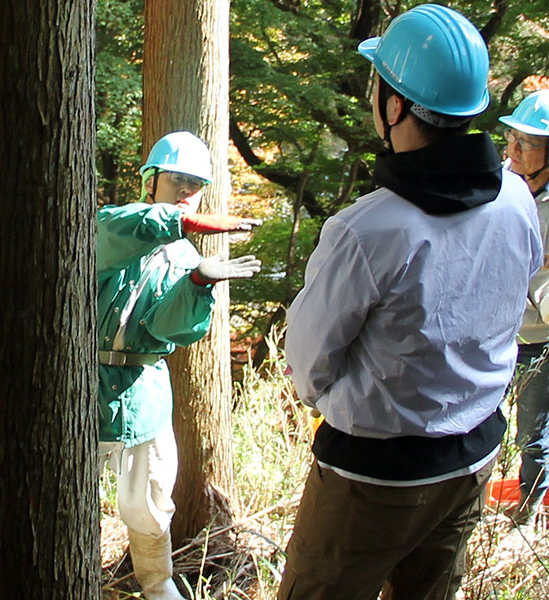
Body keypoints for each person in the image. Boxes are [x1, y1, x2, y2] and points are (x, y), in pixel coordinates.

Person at [280, 5, 542, 599]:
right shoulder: (515, 199)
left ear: (394, 106)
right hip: (471, 455)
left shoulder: (366, 229)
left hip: (370, 474)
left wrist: (343, 402)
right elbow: (516, 288)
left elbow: (310, 357)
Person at [98, 131, 261, 600]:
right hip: (83, 386)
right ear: (151, 181)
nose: (187, 192)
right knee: (67, 501)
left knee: (149, 502)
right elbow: (107, 237)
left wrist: (195, 283)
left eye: (195, 185)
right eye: (177, 181)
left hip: (143, 388)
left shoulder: (185, 257)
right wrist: (180, 224)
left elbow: (169, 328)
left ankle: (157, 584)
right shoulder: (117, 226)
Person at [498, 89, 549, 526]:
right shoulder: (497, 183)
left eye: (527, 143)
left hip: (540, 337)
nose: (513, 150)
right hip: (493, 331)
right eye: (512, 138)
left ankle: (527, 513)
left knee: (532, 433)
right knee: (475, 422)